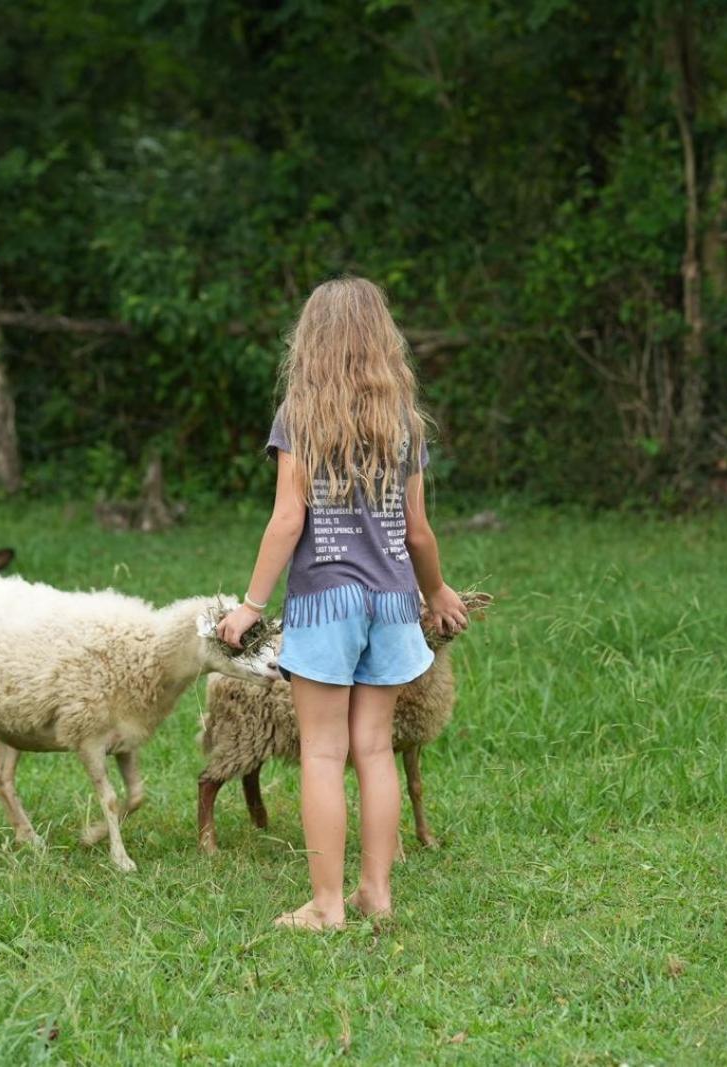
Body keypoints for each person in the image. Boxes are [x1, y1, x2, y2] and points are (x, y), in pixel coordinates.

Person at [217, 276, 468, 931]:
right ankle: (375, 895)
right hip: (391, 603)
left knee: (323, 754)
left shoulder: (301, 418)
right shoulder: (402, 422)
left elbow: (286, 520)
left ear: (311, 342)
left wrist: (250, 605)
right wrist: (435, 589)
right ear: (382, 341)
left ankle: (326, 905)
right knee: (375, 750)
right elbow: (416, 530)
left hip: (326, 604)